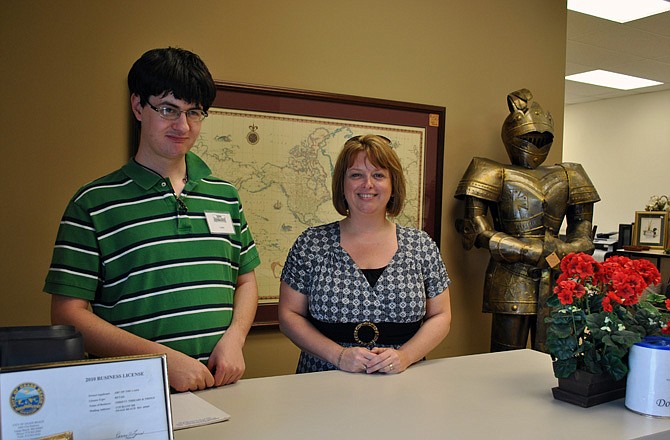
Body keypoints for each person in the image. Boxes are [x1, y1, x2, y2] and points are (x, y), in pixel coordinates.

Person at [44, 47, 260, 392]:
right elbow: (68, 315)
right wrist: (160, 362)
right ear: (137, 107)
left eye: (195, 113)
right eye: (167, 110)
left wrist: (235, 339)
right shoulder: (93, 203)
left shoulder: (225, 195)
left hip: (220, 386)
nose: (183, 125)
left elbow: (245, 281)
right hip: (133, 395)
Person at [278, 134, 452, 374]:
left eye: (378, 175)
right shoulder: (311, 244)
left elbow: (441, 315)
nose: (367, 184)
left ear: (393, 185)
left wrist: (405, 356)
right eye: (356, 175)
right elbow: (289, 315)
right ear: (343, 183)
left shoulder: (421, 246)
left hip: (403, 380)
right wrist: (338, 356)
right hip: (324, 378)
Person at [454, 88, 599, 352]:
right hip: (511, 272)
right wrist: (522, 249)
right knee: (505, 355)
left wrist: (565, 248)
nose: (537, 144)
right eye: (531, 138)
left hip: (555, 270)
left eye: (543, 139)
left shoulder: (570, 174)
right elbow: (474, 229)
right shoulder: (490, 172)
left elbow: (584, 230)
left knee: (553, 354)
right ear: (512, 136)